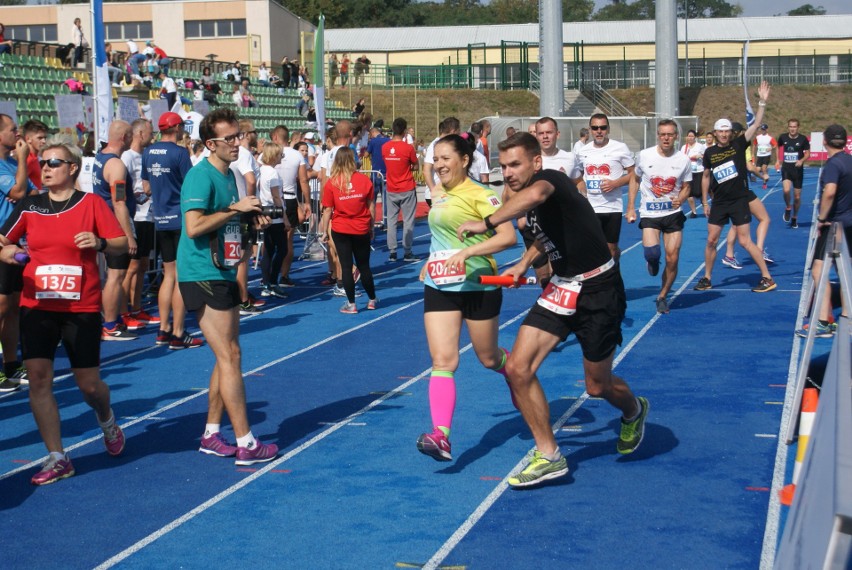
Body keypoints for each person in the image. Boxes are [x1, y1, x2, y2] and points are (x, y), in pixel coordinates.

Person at [457, 132, 647, 488]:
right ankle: (549, 455)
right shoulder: (527, 201)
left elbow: (535, 195)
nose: (509, 172)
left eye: (515, 164)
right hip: (562, 287)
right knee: (517, 367)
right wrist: (523, 263)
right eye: (504, 166)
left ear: (535, 162)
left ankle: (634, 410)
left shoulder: (551, 181)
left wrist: (487, 223)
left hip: (598, 289)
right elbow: (547, 238)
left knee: (596, 386)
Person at [0, 142, 128, 485]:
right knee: (39, 380)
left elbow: (120, 242)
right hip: (36, 304)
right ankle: (57, 457)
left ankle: (106, 419)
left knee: (88, 386)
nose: (46, 167)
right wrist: (10, 250)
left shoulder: (92, 204)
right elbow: (3, 241)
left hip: (80, 306)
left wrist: (99, 243)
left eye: (54, 162)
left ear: (72, 167)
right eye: (43, 162)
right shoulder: (30, 205)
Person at [178, 107, 278, 464]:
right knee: (231, 356)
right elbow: (193, 227)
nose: (238, 143)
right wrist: (237, 209)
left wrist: (252, 219)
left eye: (239, 136)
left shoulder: (230, 174)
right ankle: (246, 442)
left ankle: (210, 433)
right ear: (211, 143)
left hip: (222, 269)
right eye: (230, 138)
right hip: (201, 272)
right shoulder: (200, 176)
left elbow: (228, 223)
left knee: (228, 356)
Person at [416, 134, 516, 462]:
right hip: (440, 285)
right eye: (436, 159)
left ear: (464, 160)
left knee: (488, 358)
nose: (440, 165)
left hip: (478, 284)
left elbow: (507, 237)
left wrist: (468, 252)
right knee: (443, 361)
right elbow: (441, 235)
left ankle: (518, 372)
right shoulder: (439, 193)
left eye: (446, 158)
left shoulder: (483, 195)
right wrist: (431, 261)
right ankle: (440, 436)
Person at [695, 81, 776, 294]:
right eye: (720, 131)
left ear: (731, 133)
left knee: (744, 241)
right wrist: (704, 201)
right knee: (711, 240)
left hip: (739, 200)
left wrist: (762, 102)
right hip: (719, 202)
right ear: (714, 133)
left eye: (727, 131)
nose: (723, 134)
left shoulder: (739, 144)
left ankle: (767, 277)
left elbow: (757, 123)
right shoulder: (709, 153)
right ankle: (707, 277)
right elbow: (705, 177)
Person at [142, 112, 203, 349]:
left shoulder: (148, 152)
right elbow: (190, 185)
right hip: (179, 219)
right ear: (176, 128)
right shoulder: (179, 153)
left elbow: (146, 186)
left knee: (168, 276)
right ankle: (178, 332)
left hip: (161, 218)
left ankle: (164, 328)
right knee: (180, 276)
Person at [626, 120, 693, 314]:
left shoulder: (683, 160)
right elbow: (635, 179)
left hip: (672, 214)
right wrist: (630, 207)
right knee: (653, 253)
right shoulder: (645, 155)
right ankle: (653, 262)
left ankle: (662, 296)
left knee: (673, 259)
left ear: (676, 137)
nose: (666, 138)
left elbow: (687, 187)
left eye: (670, 135)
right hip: (650, 213)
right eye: (662, 134)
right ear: (658, 135)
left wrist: (680, 199)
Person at [795, 124, 852, 338]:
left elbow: (829, 192)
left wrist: (821, 218)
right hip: (850, 224)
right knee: (846, 272)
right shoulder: (849, 161)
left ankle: (822, 322)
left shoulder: (833, 165)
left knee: (819, 271)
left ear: (825, 142)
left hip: (834, 224)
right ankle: (847, 318)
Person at [92, 120, 143, 339]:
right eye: (131, 135)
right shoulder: (116, 165)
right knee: (116, 275)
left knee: (115, 274)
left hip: (106, 221)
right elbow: (118, 202)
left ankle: (113, 319)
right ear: (125, 137)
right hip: (114, 225)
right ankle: (110, 324)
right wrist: (129, 236)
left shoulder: (100, 157)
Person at [0, 115, 35, 393]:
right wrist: (24, 158)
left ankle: (11, 364)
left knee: (12, 307)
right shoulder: (6, 163)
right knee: (0, 307)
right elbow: (19, 190)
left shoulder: (12, 163)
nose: (18, 133)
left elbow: (30, 194)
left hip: (15, 243)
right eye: (12, 129)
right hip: (0, 244)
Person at [320, 147, 378, 313]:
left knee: (346, 266)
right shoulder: (364, 180)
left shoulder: (332, 183)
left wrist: (324, 231)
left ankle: (351, 304)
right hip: (361, 228)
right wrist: (372, 226)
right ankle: (372, 299)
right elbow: (371, 206)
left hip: (341, 229)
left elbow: (328, 210)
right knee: (364, 265)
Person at [575, 113, 635, 262]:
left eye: (602, 127)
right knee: (591, 249)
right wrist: (582, 193)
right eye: (595, 128)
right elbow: (579, 177)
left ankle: (613, 271)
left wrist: (616, 183)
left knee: (610, 250)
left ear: (608, 129)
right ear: (590, 130)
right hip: (591, 208)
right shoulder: (583, 151)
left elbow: (634, 175)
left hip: (612, 207)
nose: (599, 131)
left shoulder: (620, 148)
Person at [121, 118, 160, 329]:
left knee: (143, 265)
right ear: (140, 134)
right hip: (136, 217)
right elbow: (120, 188)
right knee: (132, 266)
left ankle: (136, 308)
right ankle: (124, 311)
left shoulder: (145, 156)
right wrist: (136, 196)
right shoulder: (127, 157)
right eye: (150, 132)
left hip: (149, 215)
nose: (153, 136)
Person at [721, 122, 774, 269]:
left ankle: (729, 255)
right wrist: (762, 175)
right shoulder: (742, 145)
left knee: (736, 225)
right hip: (742, 190)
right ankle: (759, 249)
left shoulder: (723, 147)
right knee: (764, 219)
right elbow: (749, 166)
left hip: (729, 190)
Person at [270, 126, 310, 287]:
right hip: (290, 197)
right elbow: (303, 180)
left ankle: (268, 276)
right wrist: (307, 201)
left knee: (269, 239)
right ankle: (284, 276)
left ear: (275, 137)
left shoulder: (269, 153)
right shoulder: (297, 155)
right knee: (288, 240)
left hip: (273, 198)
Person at [382, 118, 420, 262]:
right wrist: (407, 167)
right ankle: (407, 251)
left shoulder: (385, 147)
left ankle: (392, 251)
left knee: (391, 221)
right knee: (408, 220)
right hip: (406, 187)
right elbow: (416, 166)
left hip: (391, 188)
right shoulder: (408, 148)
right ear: (404, 132)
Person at [256, 142, 290, 298]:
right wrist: (285, 217)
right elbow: (276, 197)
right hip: (274, 216)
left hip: (264, 213)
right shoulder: (272, 173)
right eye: (279, 154)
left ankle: (266, 282)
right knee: (282, 249)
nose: (281, 157)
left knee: (268, 250)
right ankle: (273, 282)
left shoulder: (261, 170)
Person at [776, 118, 811, 228]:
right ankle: (788, 208)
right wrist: (778, 159)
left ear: (798, 127)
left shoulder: (803, 139)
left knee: (796, 197)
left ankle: (794, 217)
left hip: (797, 171)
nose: (792, 129)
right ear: (788, 127)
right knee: (786, 190)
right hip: (786, 168)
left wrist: (801, 160)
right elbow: (777, 146)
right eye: (790, 126)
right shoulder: (783, 137)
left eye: (794, 127)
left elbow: (808, 154)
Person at [423, 117, 461, 207]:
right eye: (458, 132)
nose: (459, 135)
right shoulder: (435, 145)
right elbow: (426, 170)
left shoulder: (447, 144)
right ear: (453, 131)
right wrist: (434, 190)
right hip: (438, 194)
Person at [681, 129, 706, 218]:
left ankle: (706, 209)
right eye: (689, 136)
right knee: (689, 193)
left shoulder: (700, 146)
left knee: (700, 192)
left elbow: (705, 157)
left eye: (692, 136)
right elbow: (682, 159)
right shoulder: (684, 147)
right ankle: (693, 211)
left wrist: (699, 156)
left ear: (695, 137)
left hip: (699, 171)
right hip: (688, 172)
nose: (690, 138)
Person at [22, 119, 48, 192]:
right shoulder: (28, 159)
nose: (44, 141)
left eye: (45, 138)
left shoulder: (34, 157)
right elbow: (19, 184)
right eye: (40, 138)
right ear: (28, 139)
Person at [753, 123, 776, 189]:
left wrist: (771, 148)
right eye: (762, 129)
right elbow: (754, 145)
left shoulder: (770, 138)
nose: (763, 130)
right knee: (757, 169)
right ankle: (765, 174)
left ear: (766, 130)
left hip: (766, 155)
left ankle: (764, 183)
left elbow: (775, 145)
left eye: (764, 129)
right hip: (759, 155)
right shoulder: (758, 137)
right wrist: (752, 154)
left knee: (763, 168)